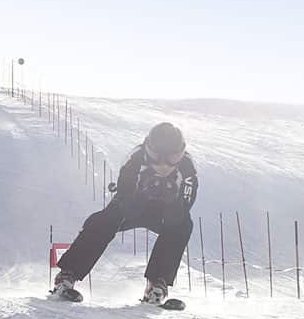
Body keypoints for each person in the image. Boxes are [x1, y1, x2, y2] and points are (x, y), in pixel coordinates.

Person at [51, 122, 197, 304]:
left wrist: (171, 203)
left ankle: (157, 284)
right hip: (134, 204)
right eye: (156, 157)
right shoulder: (135, 160)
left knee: (182, 225)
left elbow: (184, 205)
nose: (163, 165)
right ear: (147, 150)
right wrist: (142, 195)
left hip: (166, 211)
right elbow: (125, 198)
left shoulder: (187, 168)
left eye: (171, 158)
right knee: (103, 221)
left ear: (180, 155)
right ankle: (67, 275)